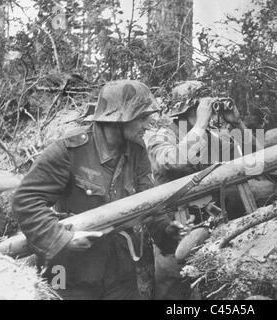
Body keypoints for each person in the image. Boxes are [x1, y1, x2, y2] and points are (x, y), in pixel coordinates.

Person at [12, 80, 175, 300]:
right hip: (69, 273)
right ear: (119, 119)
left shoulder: (137, 152)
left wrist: (167, 231)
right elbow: (26, 200)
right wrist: (62, 238)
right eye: (142, 118)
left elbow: (148, 201)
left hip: (119, 271)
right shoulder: (69, 150)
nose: (147, 126)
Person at [143, 81, 250, 300]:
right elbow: (171, 161)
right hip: (173, 236)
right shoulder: (161, 135)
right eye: (201, 107)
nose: (208, 112)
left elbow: (253, 162)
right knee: (173, 296)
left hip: (209, 231)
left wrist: (238, 124)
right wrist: (200, 123)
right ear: (184, 111)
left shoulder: (207, 137)